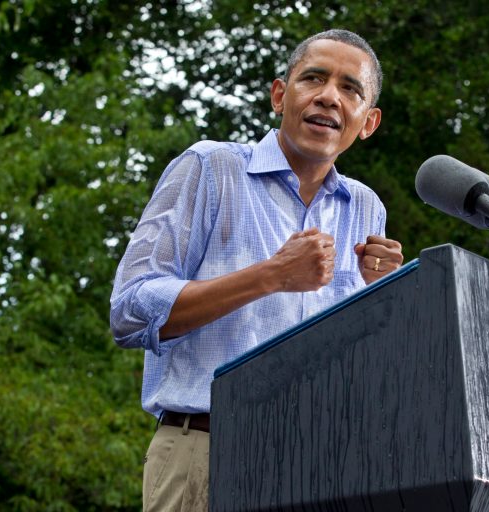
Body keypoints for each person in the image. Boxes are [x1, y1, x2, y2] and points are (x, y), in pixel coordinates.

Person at [110, 29, 404, 511]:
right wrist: (271, 275)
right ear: (279, 95)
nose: (329, 96)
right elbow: (131, 311)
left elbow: (364, 365)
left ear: (367, 122)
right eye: (314, 78)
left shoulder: (366, 208)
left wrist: (383, 298)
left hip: (324, 466)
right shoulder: (210, 167)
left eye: (350, 88)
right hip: (208, 450)